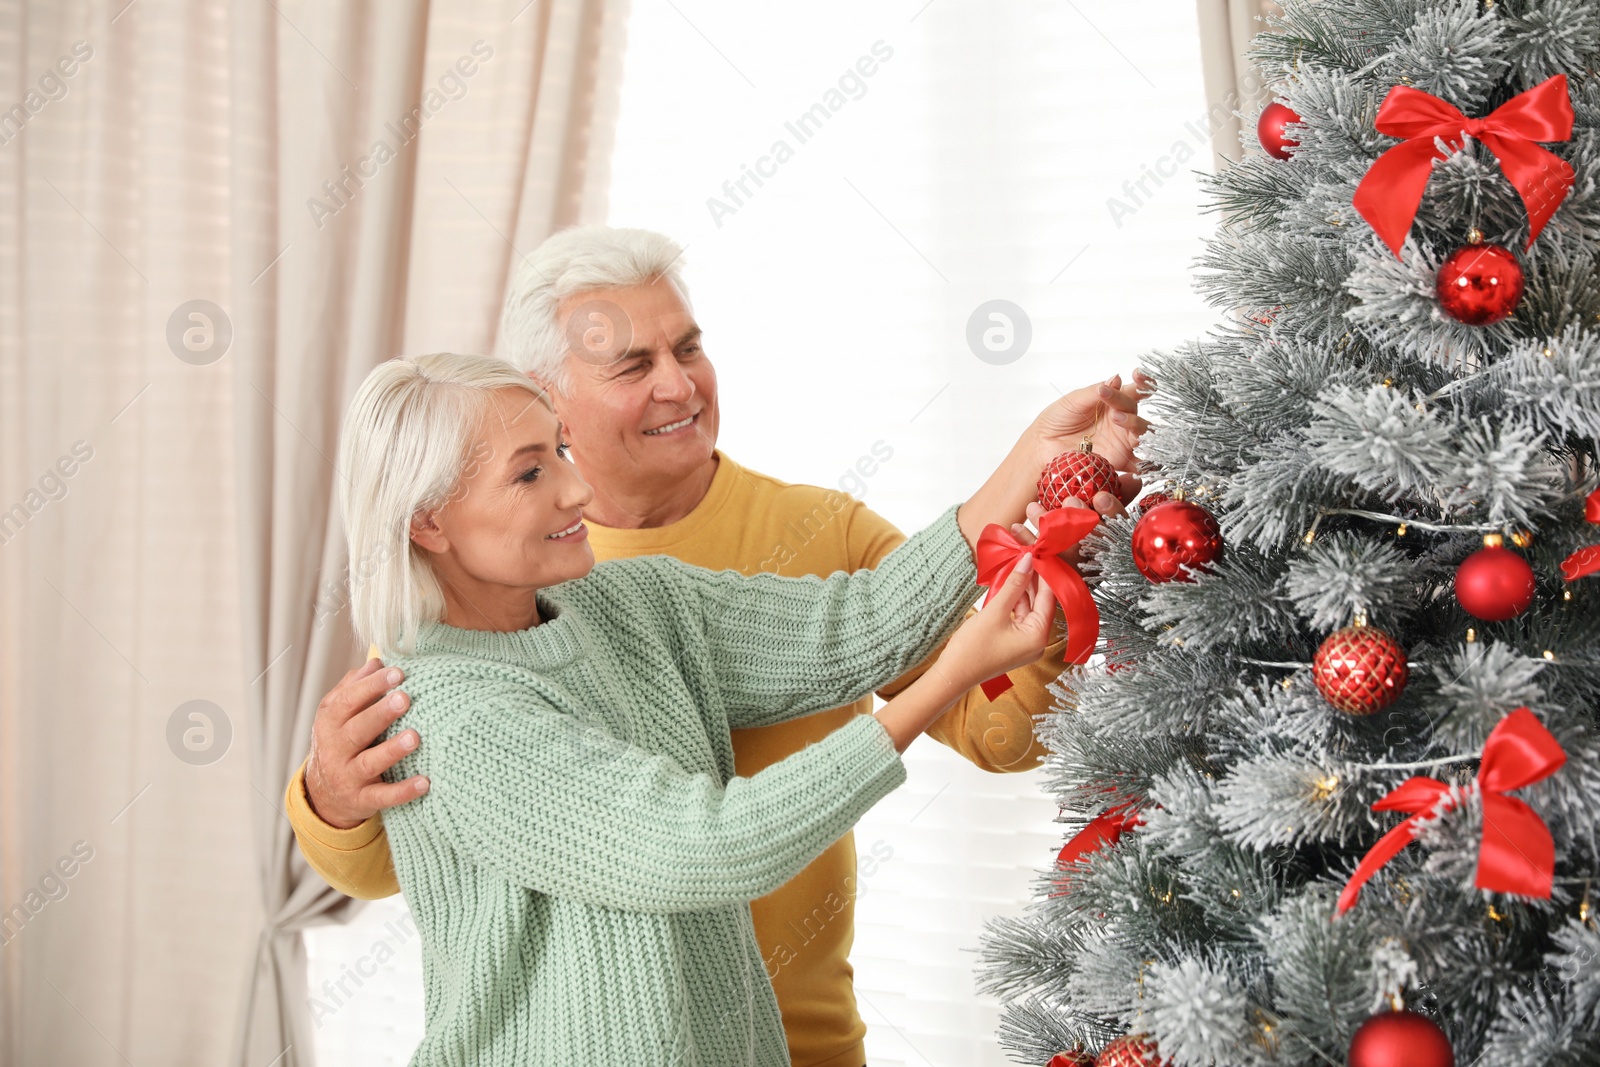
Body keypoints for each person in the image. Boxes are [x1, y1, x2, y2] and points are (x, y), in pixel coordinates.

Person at [284, 226, 1149, 1066]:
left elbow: (875, 626)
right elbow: (699, 845)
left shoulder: (637, 595)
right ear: (430, 520)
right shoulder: (448, 686)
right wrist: (327, 792)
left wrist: (1031, 465)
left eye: (687, 348)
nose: (678, 385)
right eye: (632, 365)